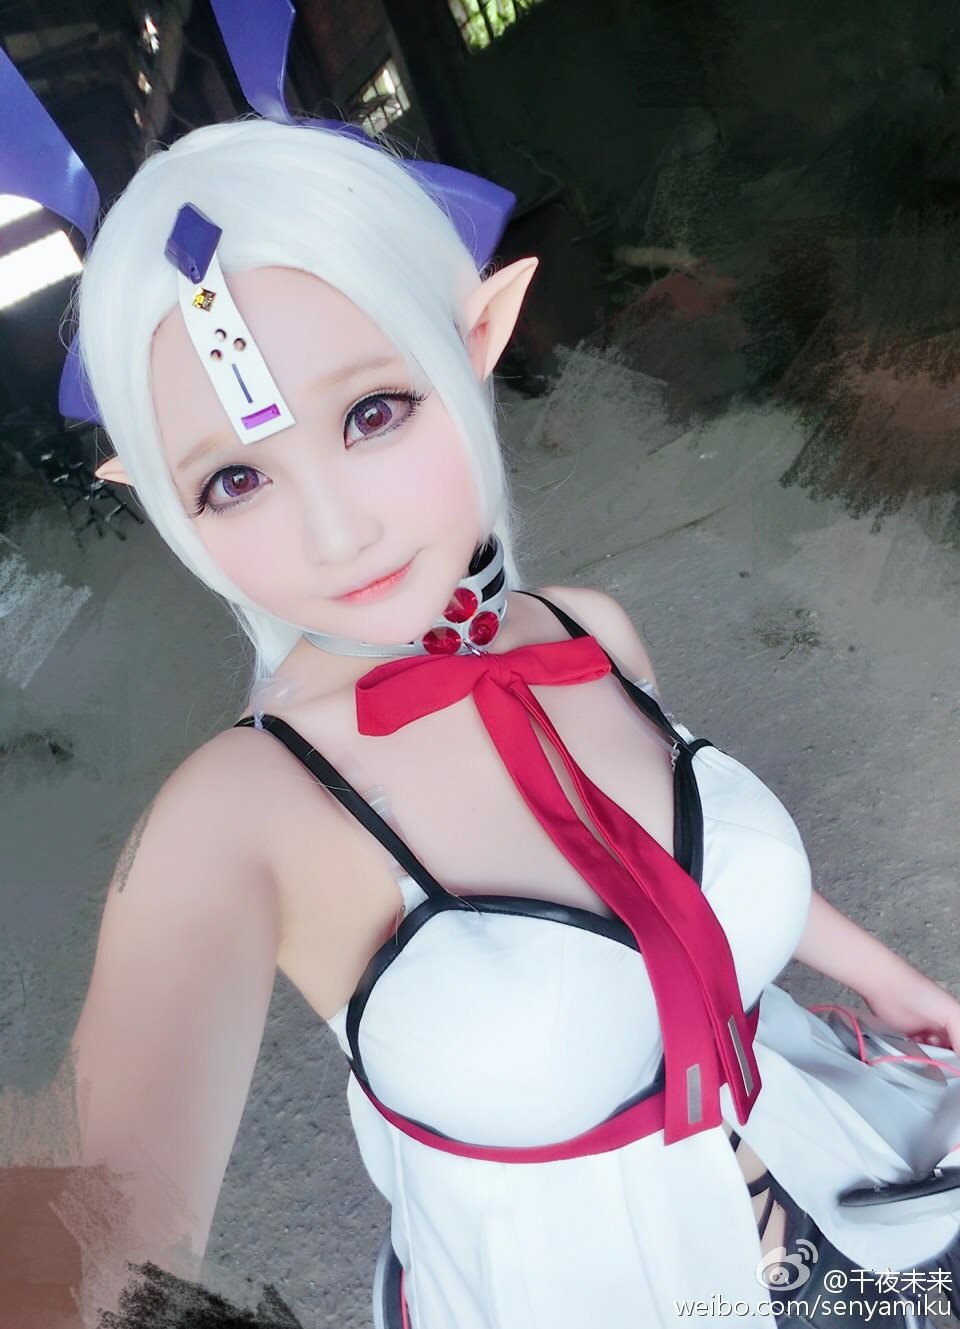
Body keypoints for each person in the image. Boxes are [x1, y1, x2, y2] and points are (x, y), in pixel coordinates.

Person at [55, 113, 960, 1329]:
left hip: (826, 1187)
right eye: (234, 480)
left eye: (373, 413)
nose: (337, 532)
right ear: (160, 508)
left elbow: (672, 883)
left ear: (477, 335)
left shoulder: (586, 629)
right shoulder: (236, 813)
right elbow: (80, 1254)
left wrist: (885, 979)